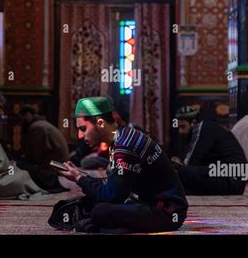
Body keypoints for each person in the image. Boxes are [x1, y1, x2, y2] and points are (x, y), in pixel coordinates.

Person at [56, 97, 188, 233]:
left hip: (167, 213)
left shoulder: (124, 146)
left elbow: (113, 196)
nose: (80, 135)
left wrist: (79, 178)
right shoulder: (122, 137)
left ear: (100, 123)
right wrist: (81, 176)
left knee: (99, 211)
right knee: (91, 204)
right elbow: (113, 187)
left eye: (83, 128)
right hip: (150, 204)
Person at [172, 105, 248, 195]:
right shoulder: (205, 129)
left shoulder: (201, 128)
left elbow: (190, 163)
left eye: (183, 126)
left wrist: (177, 167)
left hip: (232, 181)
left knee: (182, 173)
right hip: (231, 180)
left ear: (193, 122)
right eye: (179, 128)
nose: (180, 131)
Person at [20, 105, 69, 172]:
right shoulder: (41, 124)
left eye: (22, 118)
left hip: (55, 167)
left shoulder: (37, 127)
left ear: (28, 115)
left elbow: (35, 155)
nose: (21, 121)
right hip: (59, 164)